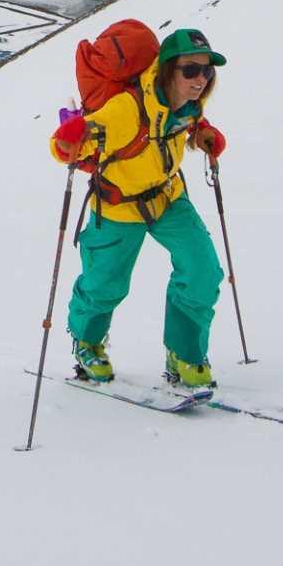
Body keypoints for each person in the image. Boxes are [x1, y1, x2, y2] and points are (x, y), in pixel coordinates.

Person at [49, 27, 230, 389]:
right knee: (105, 284)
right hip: (118, 204)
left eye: (207, 71)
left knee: (203, 270)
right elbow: (69, 145)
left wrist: (203, 135)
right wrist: (66, 141)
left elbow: (188, 121)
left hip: (168, 197)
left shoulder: (190, 103)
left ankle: (184, 353)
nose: (200, 80)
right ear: (167, 70)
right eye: (190, 70)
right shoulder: (125, 110)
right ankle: (87, 343)